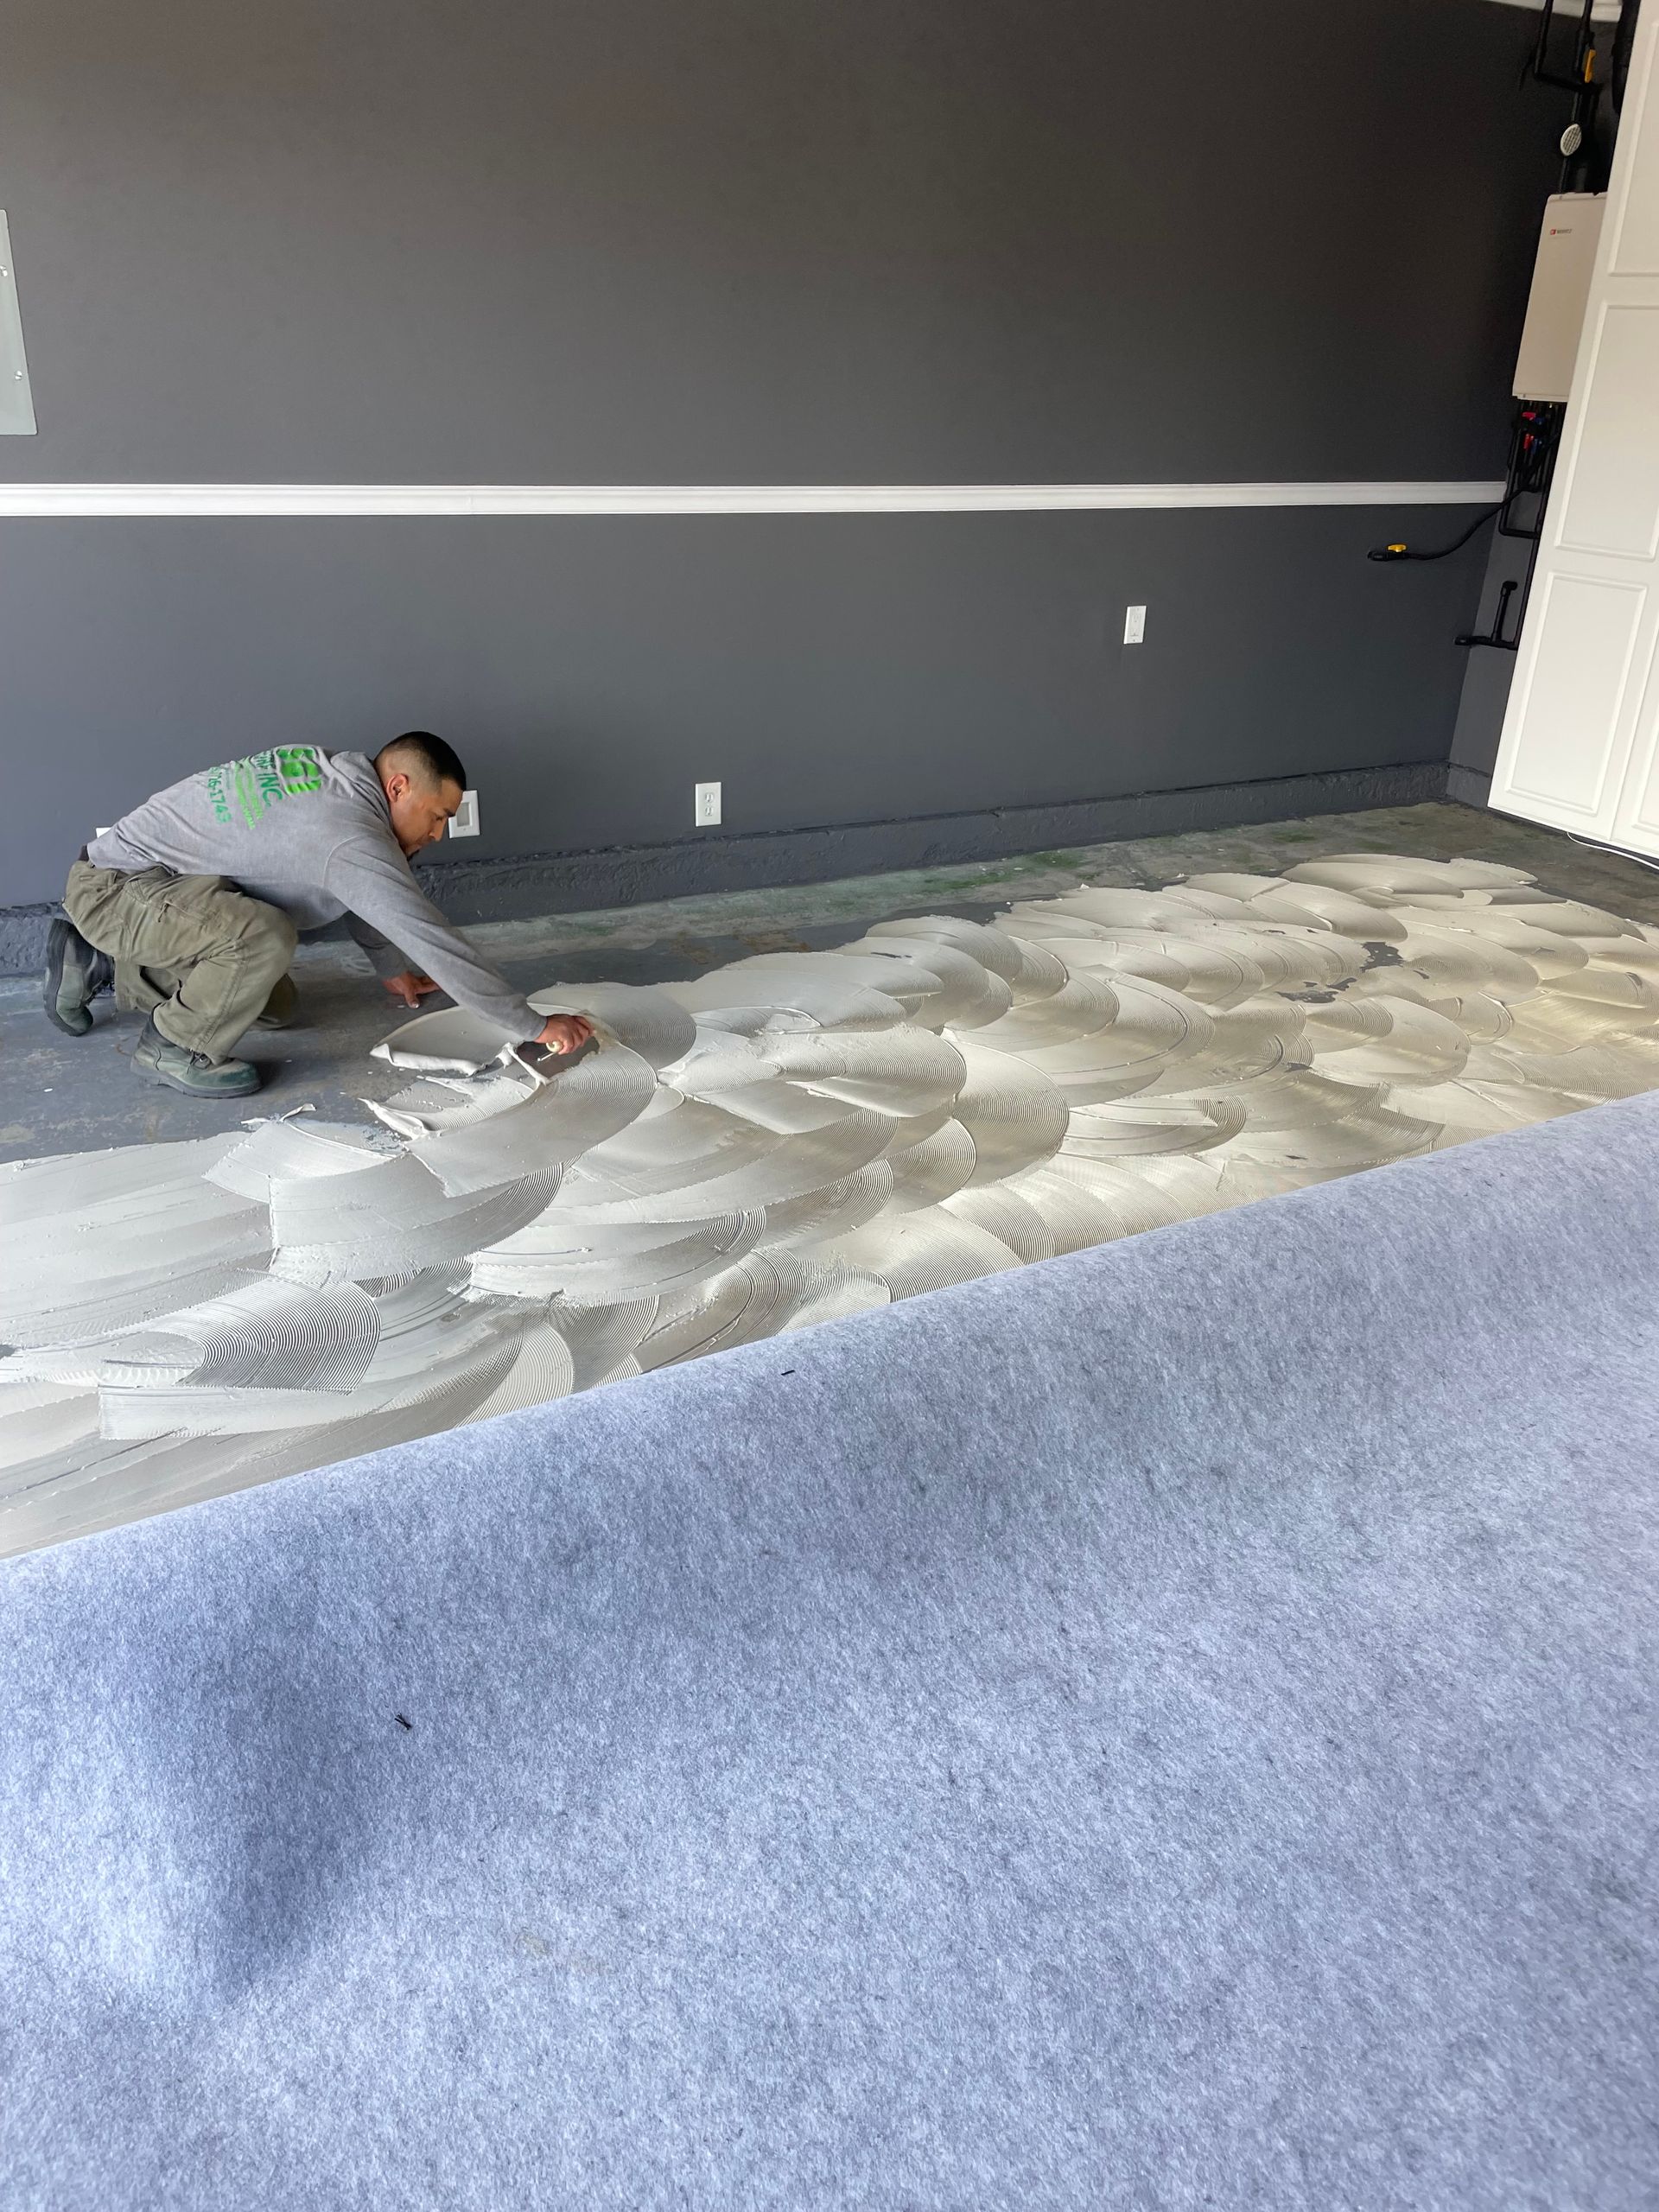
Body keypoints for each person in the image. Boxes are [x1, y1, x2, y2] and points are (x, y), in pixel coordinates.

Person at [43, 731, 593, 1097]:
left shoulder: (337, 781)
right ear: (398, 786)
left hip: (155, 889)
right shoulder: (347, 833)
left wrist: (387, 966)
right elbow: (427, 933)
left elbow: (359, 886)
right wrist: (534, 1025)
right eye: (439, 815)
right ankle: (171, 1047)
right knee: (262, 938)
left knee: (272, 1004)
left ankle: (100, 963)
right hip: (115, 890)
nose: (438, 833)